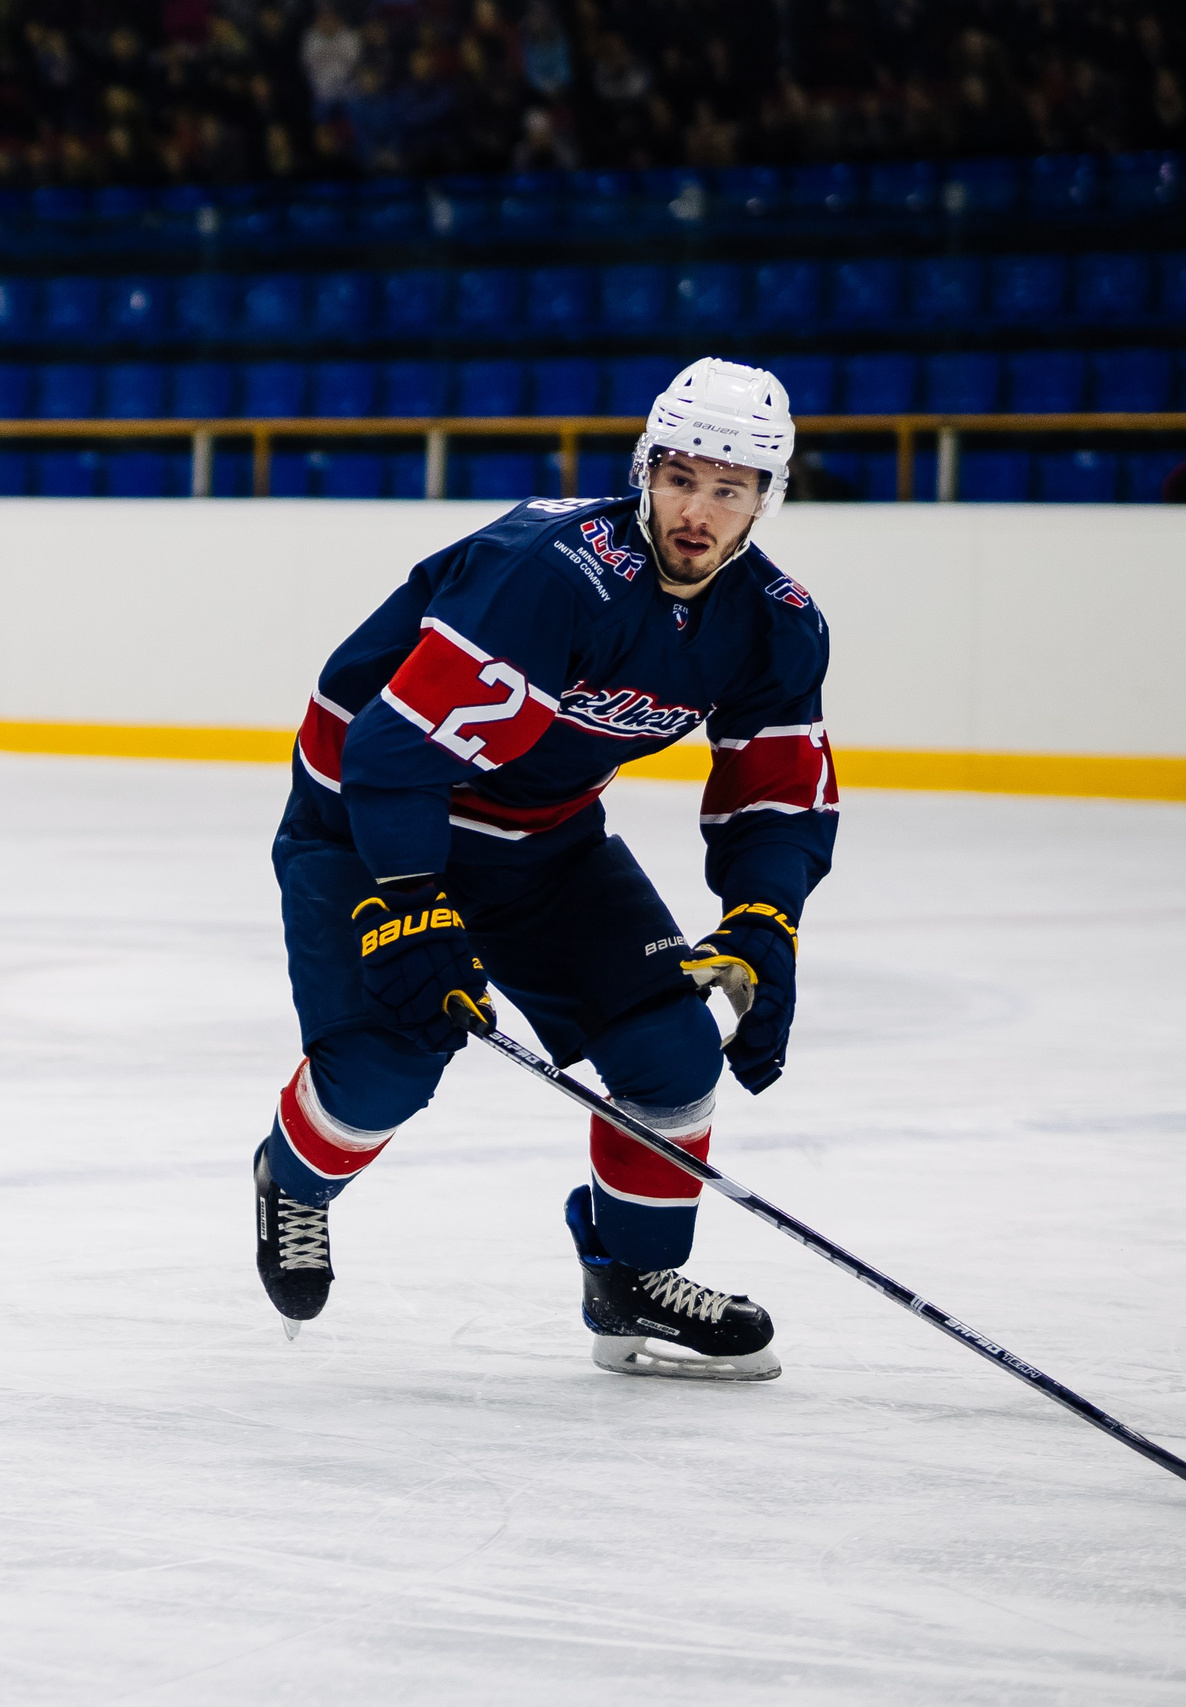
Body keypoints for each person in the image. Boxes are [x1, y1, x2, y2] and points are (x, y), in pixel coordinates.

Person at [254, 358, 837, 1382]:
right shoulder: (551, 569)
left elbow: (775, 796)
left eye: (728, 488)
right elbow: (393, 755)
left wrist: (762, 922)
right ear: (644, 469)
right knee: (386, 1069)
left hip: (543, 843)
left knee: (672, 1055)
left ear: (765, 499)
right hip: (366, 822)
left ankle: (632, 1279)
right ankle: (293, 1181)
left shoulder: (777, 624)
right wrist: (410, 904)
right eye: (679, 477)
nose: (696, 511)